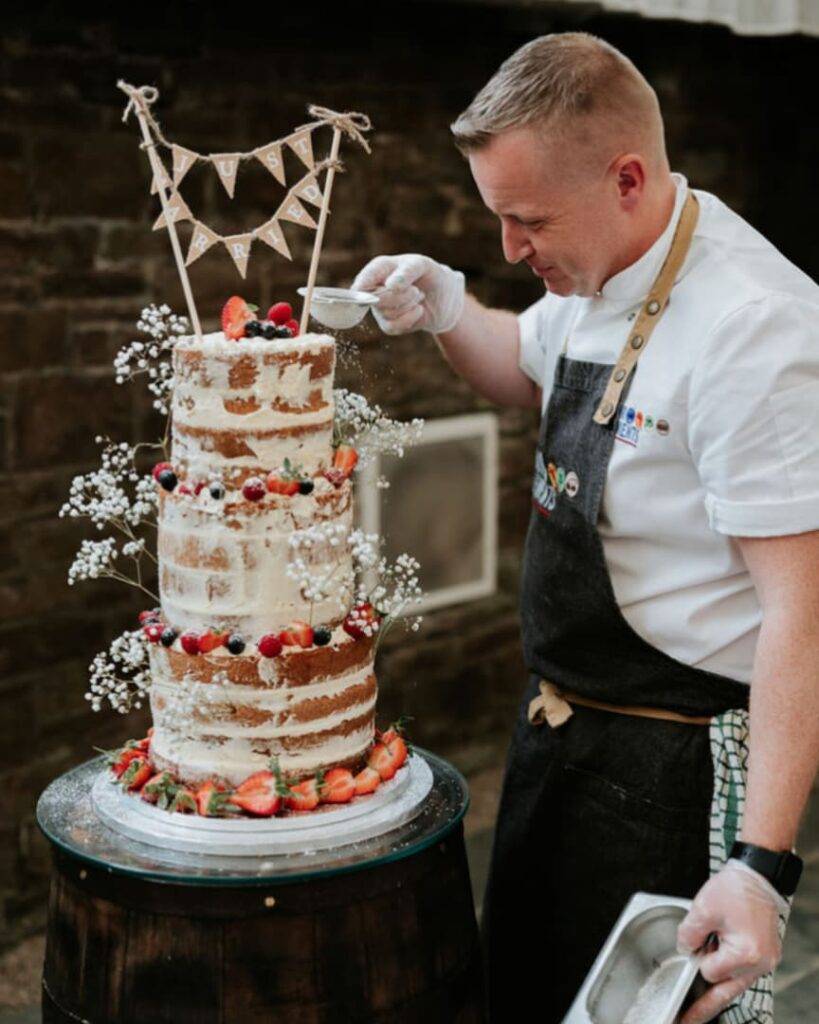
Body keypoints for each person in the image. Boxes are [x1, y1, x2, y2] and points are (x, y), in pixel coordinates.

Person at [352, 32, 819, 1024]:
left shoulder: (756, 327)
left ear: (627, 178)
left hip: (683, 764)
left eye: (527, 221)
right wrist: (447, 306)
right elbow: (522, 366)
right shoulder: (595, 272)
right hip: (560, 733)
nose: (513, 250)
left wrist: (762, 867)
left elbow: (804, 619)